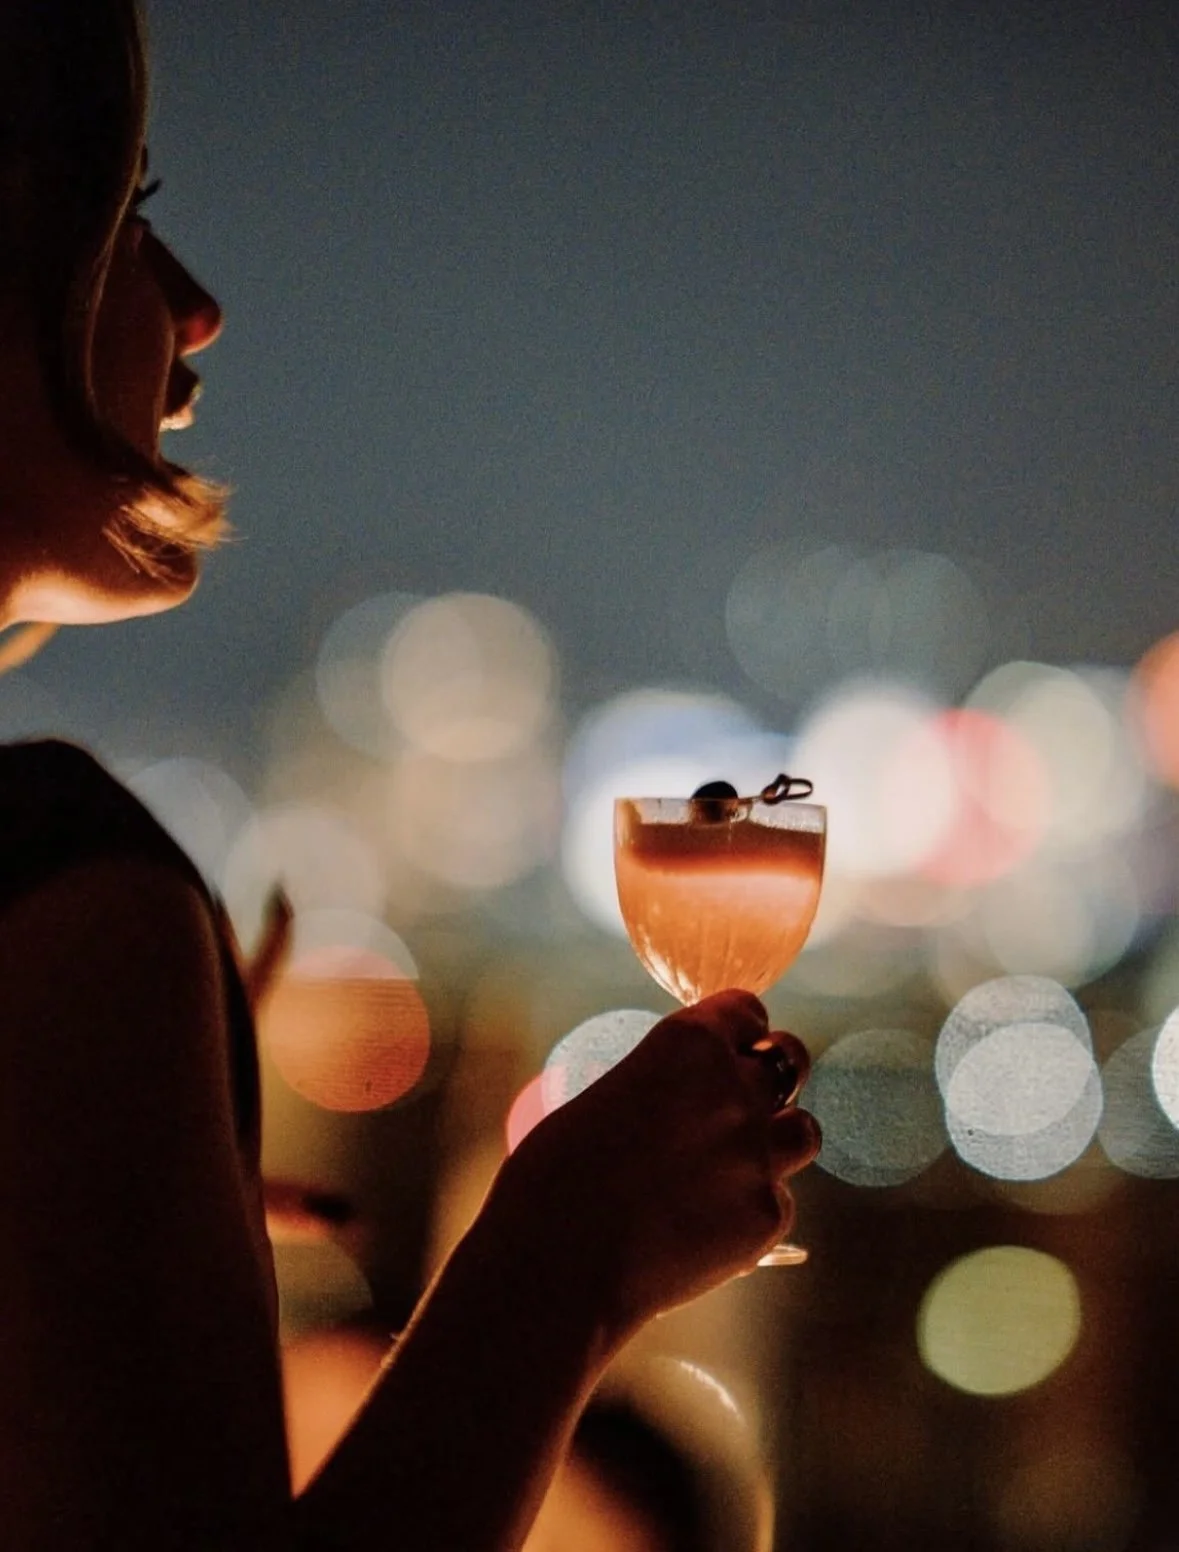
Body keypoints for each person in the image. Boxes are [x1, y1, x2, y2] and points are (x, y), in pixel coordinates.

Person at [0, 2, 821, 1546]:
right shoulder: (58, 880)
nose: (197, 310)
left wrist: (121, 1244)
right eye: (123, 219)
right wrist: (563, 1262)